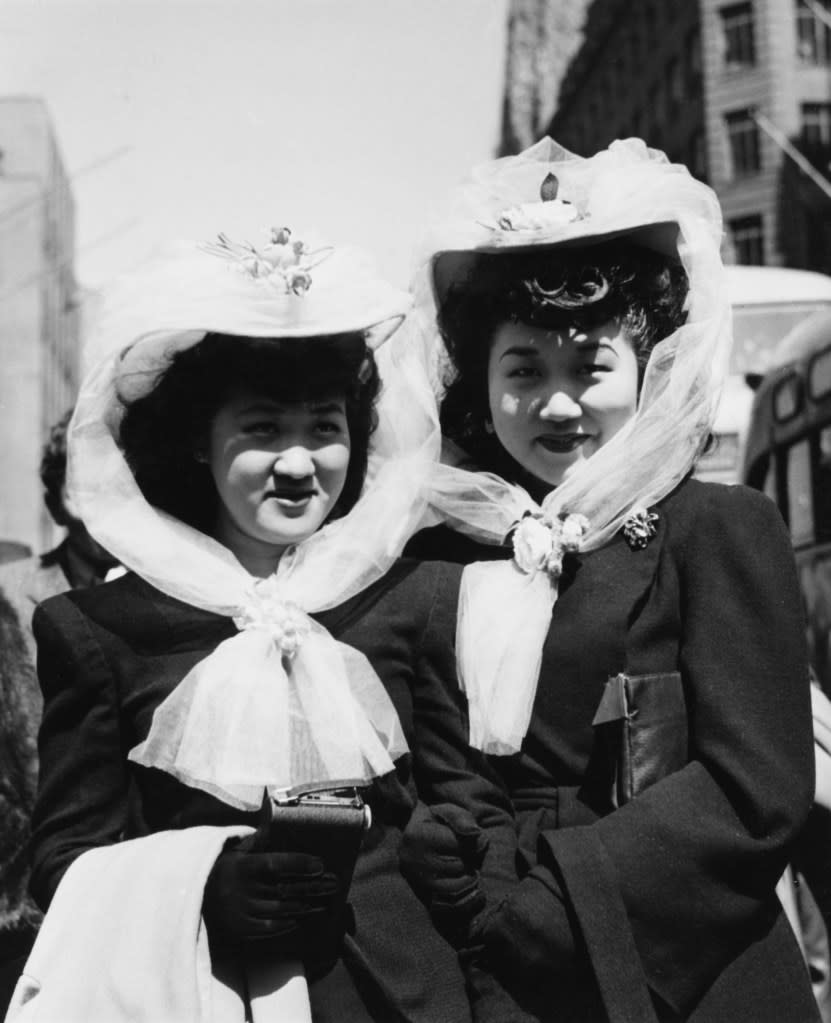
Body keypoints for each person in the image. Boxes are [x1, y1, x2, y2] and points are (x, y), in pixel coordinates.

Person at [8, 231, 513, 1023]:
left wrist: (446, 838)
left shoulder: (415, 598)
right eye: (261, 430)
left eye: (324, 426)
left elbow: (470, 809)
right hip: (201, 991)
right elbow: (63, 862)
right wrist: (203, 882)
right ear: (199, 446)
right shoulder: (97, 627)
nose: (298, 461)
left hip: (403, 999)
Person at [399, 138, 819, 1022]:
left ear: (646, 370)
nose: (557, 404)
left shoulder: (716, 530)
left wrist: (557, 903)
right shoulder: (439, 553)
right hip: (488, 963)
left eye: (589, 366)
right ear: (481, 381)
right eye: (523, 370)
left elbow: (755, 787)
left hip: (684, 963)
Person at [0, 411, 120, 1000]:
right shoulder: (11, 594)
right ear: (61, 494)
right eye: (86, 481)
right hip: (32, 894)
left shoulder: (181, 591)